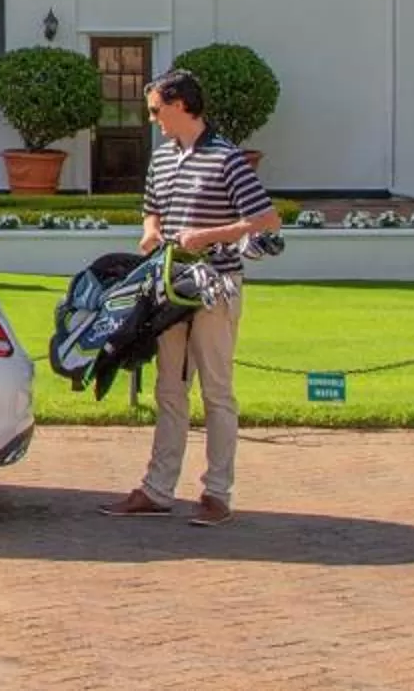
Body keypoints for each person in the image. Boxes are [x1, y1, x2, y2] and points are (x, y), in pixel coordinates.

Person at [100, 68, 279, 526]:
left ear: (181, 106)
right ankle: (157, 489)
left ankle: (217, 494)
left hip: (215, 285)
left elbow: (266, 220)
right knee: (169, 389)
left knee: (217, 392)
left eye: (157, 110)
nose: (154, 119)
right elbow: (151, 211)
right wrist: (151, 233)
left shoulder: (227, 159)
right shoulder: (161, 159)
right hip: (170, 286)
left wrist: (208, 235)